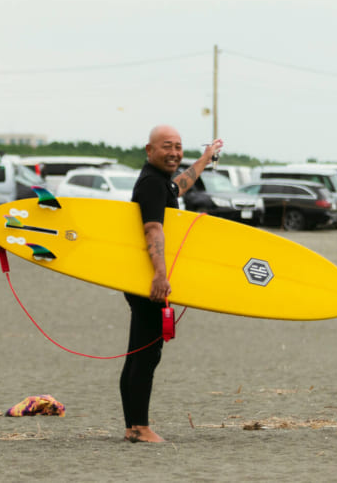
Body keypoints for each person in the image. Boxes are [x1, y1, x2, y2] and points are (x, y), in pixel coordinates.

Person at [121, 124, 223, 443]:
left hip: (144, 277)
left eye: (179, 147)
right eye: (167, 146)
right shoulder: (151, 184)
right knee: (146, 354)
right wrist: (161, 275)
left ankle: (133, 426)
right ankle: (139, 427)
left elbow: (178, 187)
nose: (175, 153)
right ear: (149, 150)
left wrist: (205, 158)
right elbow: (153, 229)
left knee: (140, 352)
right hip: (151, 279)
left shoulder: (158, 182)